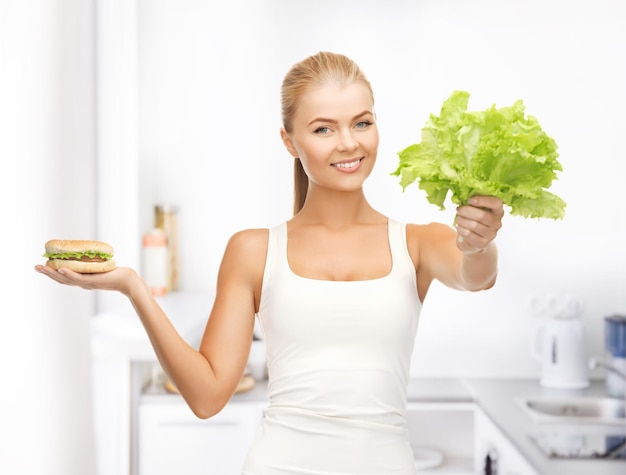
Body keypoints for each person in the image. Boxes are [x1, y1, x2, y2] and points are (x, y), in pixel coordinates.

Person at [35, 51, 504, 474]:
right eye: (324, 128)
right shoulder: (254, 250)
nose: (348, 143)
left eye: (362, 123)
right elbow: (207, 395)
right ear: (289, 140)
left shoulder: (420, 243)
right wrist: (133, 286)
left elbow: (474, 275)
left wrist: (478, 242)